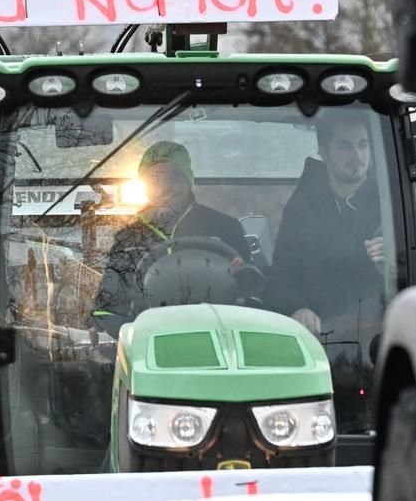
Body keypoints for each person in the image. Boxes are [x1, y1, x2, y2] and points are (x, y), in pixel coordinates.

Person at [92, 141, 259, 328]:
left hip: (217, 333)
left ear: (188, 181)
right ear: (144, 185)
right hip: (148, 338)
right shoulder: (128, 238)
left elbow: (253, 294)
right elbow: (108, 306)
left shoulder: (225, 227)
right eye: (154, 178)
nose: (164, 186)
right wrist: (125, 334)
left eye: (172, 177)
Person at [268, 110, 387, 338]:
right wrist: (297, 307)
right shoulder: (302, 210)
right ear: (324, 152)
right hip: (319, 335)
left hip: (377, 334)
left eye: (363, 145)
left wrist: (392, 256)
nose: (357, 155)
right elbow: (282, 273)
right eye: (345, 146)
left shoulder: (391, 202)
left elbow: (413, 267)